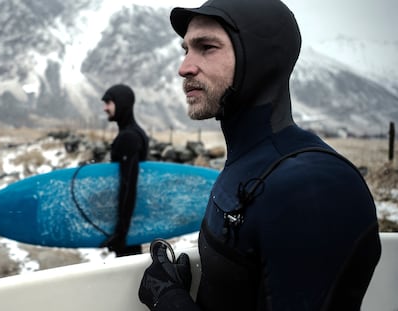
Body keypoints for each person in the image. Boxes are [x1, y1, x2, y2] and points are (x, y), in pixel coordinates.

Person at [138, 0, 381, 310]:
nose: (184, 67)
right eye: (185, 49)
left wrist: (167, 299)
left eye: (207, 47)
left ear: (260, 60)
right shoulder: (252, 163)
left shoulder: (312, 187)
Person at [101, 84, 149, 257]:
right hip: (132, 222)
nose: (105, 108)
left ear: (121, 103)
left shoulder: (129, 137)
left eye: (108, 102)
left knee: (129, 275)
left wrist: (121, 233)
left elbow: (129, 185)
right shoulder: (135, 133)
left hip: (127, 225)